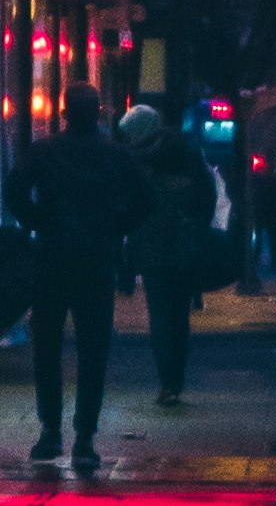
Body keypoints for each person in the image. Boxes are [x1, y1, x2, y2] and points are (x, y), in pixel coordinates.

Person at [12, 71, 138, 468]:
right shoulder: (116, 154)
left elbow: (14, 190)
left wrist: (38, 221)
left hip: (52, 258)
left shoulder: (45, 151)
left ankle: (50, 431)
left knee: (46, 347)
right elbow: (146, 199)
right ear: (97, 112)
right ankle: (85, 436)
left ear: (64, 112)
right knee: (93, 348)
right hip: (97, 260)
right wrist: (118, 226)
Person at [128, 99, 216, 404]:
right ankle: (177, 378)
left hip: (153, 247)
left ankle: (167, 381)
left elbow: (129, 209)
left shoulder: (136, 162)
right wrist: (198, 225)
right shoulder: (187, 152)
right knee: (179, 316)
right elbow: (207, 193)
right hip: (185, 243)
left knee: (161, 316)